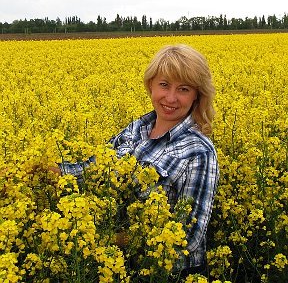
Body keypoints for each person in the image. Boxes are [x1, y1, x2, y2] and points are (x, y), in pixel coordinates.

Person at [55, 44, 219, 277]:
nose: (170, 97)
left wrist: (114, 239)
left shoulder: (199, 151)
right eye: (164, 85)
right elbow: (96, 167)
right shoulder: (136, 129)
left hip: (169, 273)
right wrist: (52, 171)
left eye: (183, 89)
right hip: (121, 264)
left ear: (196, 96)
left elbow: (190, 236)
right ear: (150, 85)